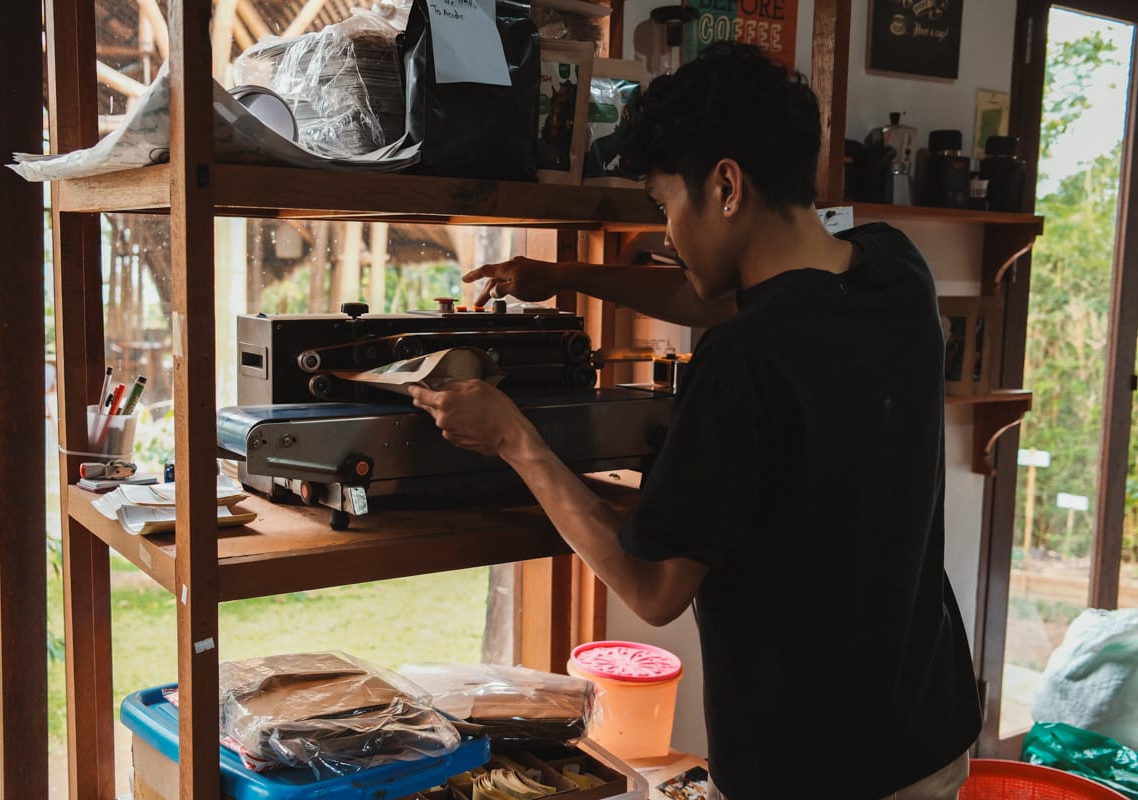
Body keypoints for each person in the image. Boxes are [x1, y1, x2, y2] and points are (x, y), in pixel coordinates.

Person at [408, 42, 981, 799]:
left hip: (813, 771)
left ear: (727, 186)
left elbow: (652, 588)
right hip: (931, 735)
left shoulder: (743, 359)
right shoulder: (895, 268)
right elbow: (723, 297)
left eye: (665, 205)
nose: (669, 234)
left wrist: (514, 438)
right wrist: (561, 275)